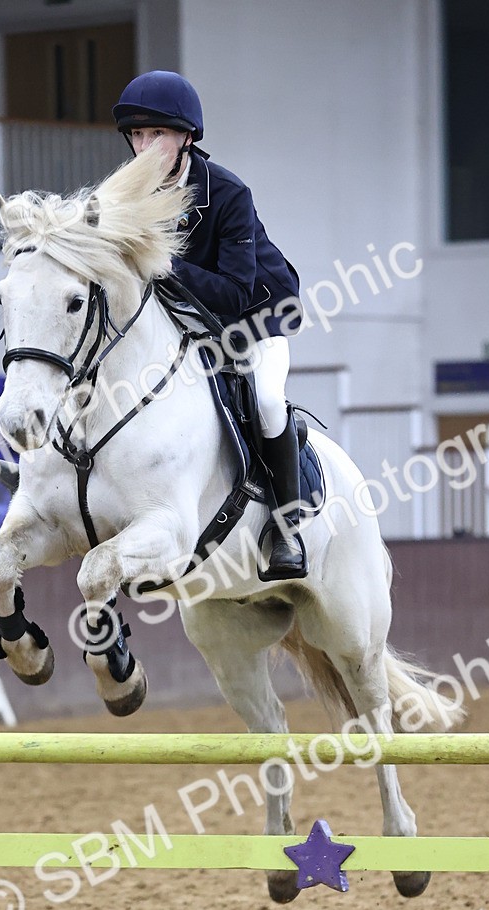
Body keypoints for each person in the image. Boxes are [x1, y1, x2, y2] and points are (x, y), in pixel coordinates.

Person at [113, 70, 307, 580]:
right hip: (185, 319)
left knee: (265, 398)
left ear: (186, 137)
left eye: (157, 134)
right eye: (137, 135)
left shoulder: (227, 193)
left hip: (257, 317)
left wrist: (162, 261)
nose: (145, 146)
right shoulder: (125, 193)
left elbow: (234, 292)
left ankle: (286, 529)